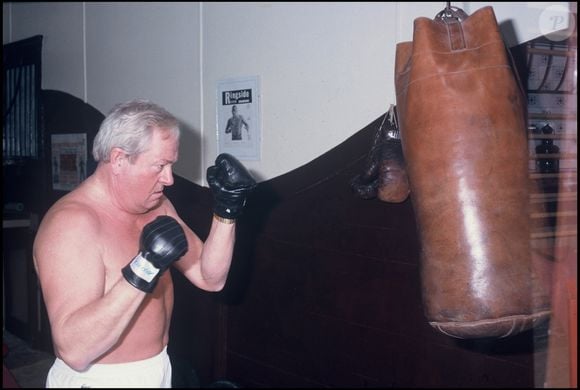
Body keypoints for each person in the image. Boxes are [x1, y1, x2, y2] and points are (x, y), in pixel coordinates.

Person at [33, 99, 256, 388]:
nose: (169, 179)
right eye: (160, 165)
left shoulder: (156, 206)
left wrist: (226, 212)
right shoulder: (72, 224)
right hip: (100, 380)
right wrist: (145, 266)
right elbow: (75, 351)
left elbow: (209, 277)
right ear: (118, 159)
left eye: (170, 165)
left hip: (157, 368)